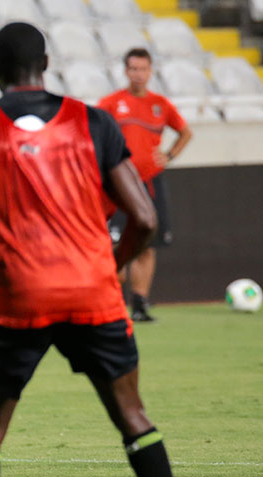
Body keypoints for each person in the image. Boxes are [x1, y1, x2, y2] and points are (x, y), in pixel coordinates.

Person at [0, 23, 204, 477]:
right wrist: (108, 268)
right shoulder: (95, 121)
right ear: (46, 62)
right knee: (133, 417)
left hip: (19, 295)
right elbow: (145, 219)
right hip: (93, 293)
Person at [98, 48, 192, 322]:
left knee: (147, 245)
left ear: (150, 71)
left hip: (150, 182)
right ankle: (113, 305)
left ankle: (139, 305)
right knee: (114, 244)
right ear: (126, 71)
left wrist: (170, 155)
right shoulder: (111, 103)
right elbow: (89, 130)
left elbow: (185, 132)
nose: (138, 74)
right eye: (133, 69)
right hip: (118, 184)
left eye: (143, 69)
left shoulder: (160, 104)